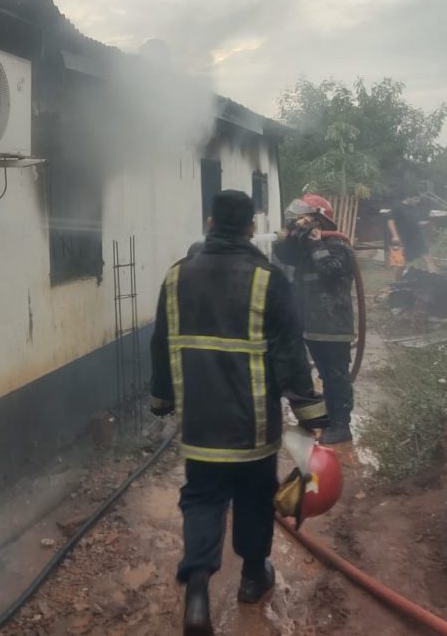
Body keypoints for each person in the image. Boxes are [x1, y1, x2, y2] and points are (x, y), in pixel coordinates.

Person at [150, 190, 329, 635]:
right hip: (253, 425)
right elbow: (290, 355)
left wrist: (162, 399)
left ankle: (196, 594)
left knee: (202, 498)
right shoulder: (269, 280)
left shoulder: (175, 277)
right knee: (253, 496)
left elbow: (160, 342)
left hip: (200, 423)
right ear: (251, 226)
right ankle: (253, 577)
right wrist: (312, 416)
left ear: (210, 222)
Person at [272, 196, 356, 445]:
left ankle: (341, 425)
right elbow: (284, 255)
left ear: (320, 219)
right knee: (323, 374)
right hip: (311, 326)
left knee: (335, 376)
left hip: (333, 327)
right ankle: (328, 418)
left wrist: (316, 244)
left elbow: (331, 271)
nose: (301, 223)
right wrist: (288, 235)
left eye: (305, 218)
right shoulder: (303, 251)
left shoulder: (339, 246)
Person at [387, 196, 436, 273]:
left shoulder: (415, 208)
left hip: (416, 237)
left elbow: (414, 223)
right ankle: (397, 283)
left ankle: (435, 280)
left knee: (428, 259)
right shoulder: (398, 207)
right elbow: (390, 222)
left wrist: (425, 223)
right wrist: (395, 236)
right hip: (401, 238)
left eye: (418, 199)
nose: (417, 201)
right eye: (415, 199)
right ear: (408, 197)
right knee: (400, 265)